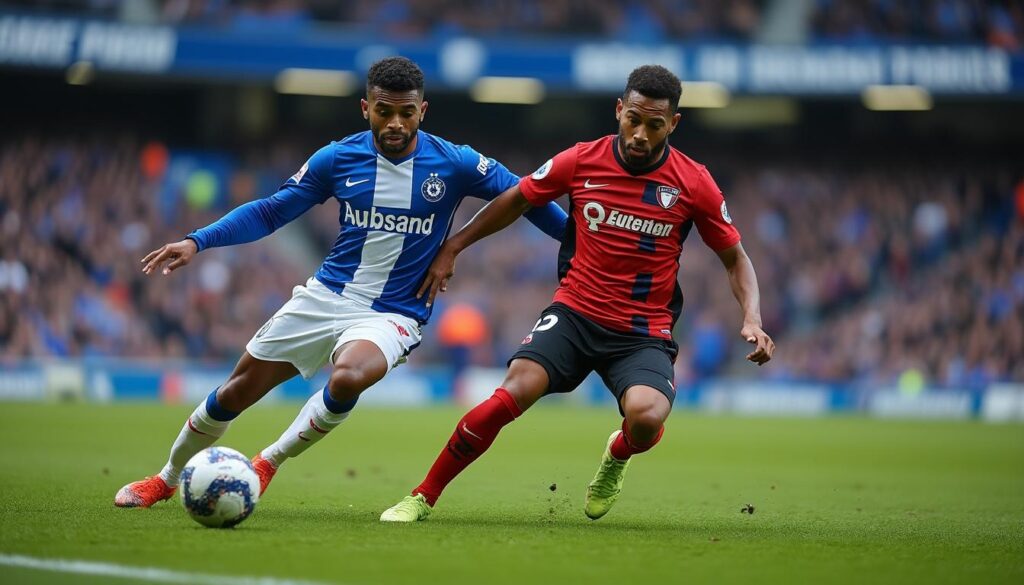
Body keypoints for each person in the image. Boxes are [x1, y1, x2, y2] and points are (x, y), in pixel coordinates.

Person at [114, 56, 567, 508]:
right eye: (383, 111)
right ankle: (167, 478)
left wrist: (573, 240)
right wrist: (199, 241)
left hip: (395, 312)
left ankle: (267, 462)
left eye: (406, 113)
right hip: (325, 295)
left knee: (349, 376)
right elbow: (273, 211)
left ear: (422, 111)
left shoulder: (455, 162)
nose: (395, 122)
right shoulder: (337, 158)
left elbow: (528, 195)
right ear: (364, 108)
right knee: (235, 392)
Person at [380, 64, 775, 522]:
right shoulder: (582, 159)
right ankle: (423, 495)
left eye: (655, 124)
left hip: (641, 331)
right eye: (634, 119)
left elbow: (736, 258)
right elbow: (517, 198)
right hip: (574, 314)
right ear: (619, 110)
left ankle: (618, 453)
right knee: (511, 393)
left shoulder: (693, 182)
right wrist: (454, 246)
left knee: (646, 419)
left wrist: (752, 317)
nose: (641, 134)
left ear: (673, 123)